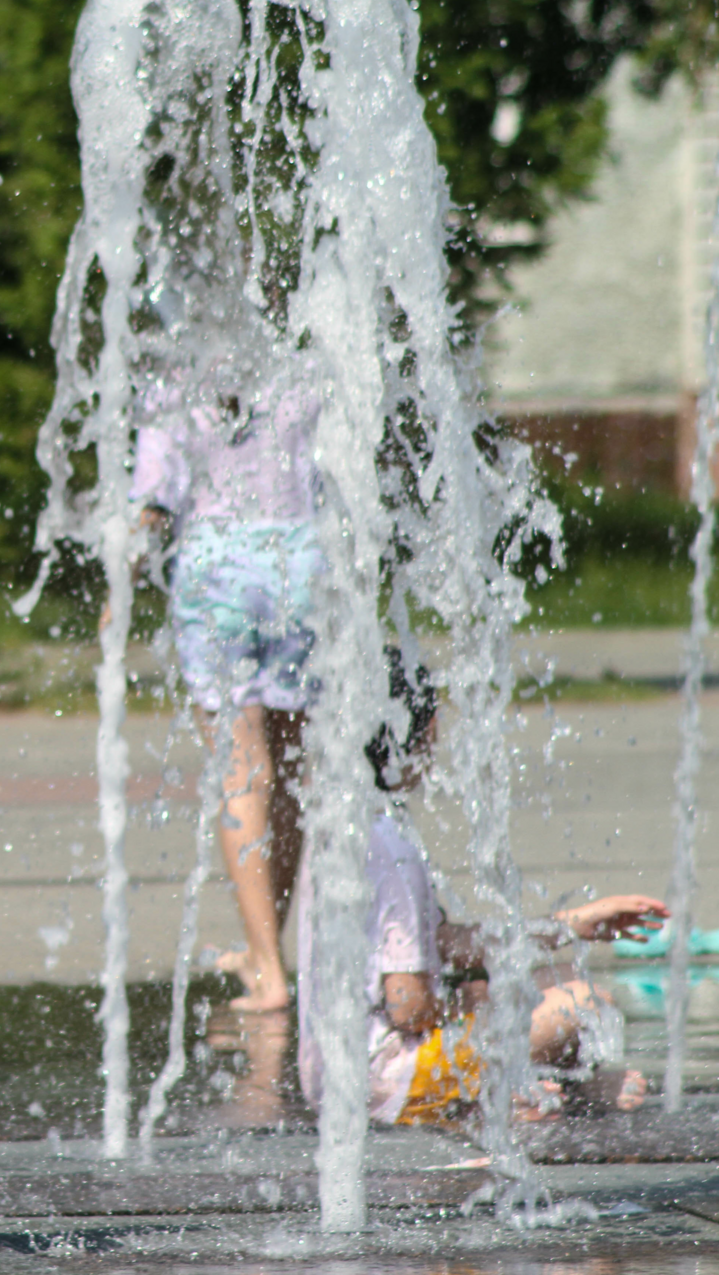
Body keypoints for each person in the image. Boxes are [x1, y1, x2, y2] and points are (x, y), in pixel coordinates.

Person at [294, 650, 664, 1126]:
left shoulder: (339, 825)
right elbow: (408, 1007)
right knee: (587, 1005)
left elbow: (442, 943)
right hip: (387, 1081)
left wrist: (571, 926)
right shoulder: (389, 846)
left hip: (333, 1077)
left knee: (535, 983)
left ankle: (523, 1092)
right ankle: (516, 1099)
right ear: (415, 730)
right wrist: (472, 1007)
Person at [129, 352, 325, 1011]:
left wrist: (120, 585)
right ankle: (270, 949)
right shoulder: (299, 369)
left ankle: (267, 965)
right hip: (301, 567)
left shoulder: (174, 380)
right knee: (290, 771)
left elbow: (155, 501)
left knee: (245, 774)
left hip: (217, 577)